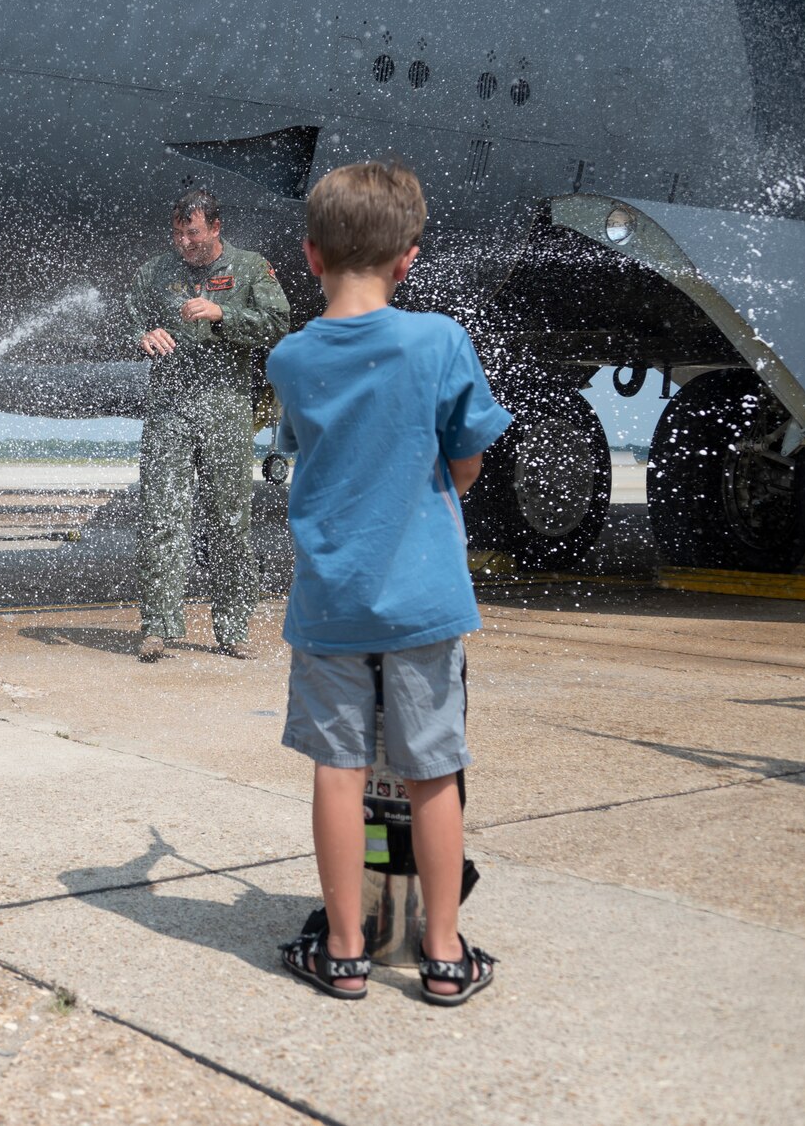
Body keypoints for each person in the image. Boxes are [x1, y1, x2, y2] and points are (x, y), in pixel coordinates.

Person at [265, 160, 507, 1006]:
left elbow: (309, 447)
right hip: (424, 598)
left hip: (331, 599)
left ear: (309, 256)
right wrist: (437, 494)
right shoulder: (438, 340)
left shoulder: (289, 358)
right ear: (408, 258)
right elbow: (468, 451)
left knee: (338, 768)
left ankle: (342, 951)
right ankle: (442, 955)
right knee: (431, 770)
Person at [126, 188, 291, 662]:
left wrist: (224, 314)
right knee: (161, 517)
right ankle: (157, 626)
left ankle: (234, 627)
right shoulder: (154, 273)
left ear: (215, 228)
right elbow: (128, 317)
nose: (185, 243)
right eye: (178, 234)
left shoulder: (250, 267)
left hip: (226, 409)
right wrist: (142, 334)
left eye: (193, 233)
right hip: (168, 410)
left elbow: (279, 322)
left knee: (230, 522)